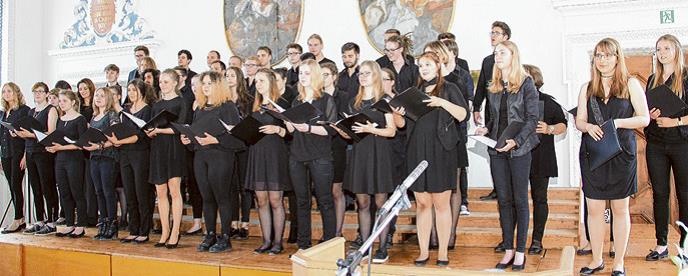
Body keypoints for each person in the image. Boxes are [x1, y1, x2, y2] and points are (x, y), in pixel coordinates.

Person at [575, 38, 649, 276]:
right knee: (594, 209)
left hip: (621, 153)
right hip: (593, 154)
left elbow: (644, 118)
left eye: (607, 55)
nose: (602, 60)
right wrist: (587, 127)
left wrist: (617, 122)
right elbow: (579, 120)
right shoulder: (586, 88)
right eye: (598, 55)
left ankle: (618, 262)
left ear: (617, 57)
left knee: (619, 209)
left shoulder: (631, 84)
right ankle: (596, 260)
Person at [394, 52, 468, 267]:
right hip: (417, 151)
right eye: (420, 65)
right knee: (423, 204)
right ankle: (424, 251)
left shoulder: (449, 88)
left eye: (427, 64)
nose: (423, 68)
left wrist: (441, 102)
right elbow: (401, 126)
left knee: (441, 204)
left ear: (438, 65)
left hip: (442, 151)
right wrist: (398, 113)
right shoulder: (413, 93)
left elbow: (463, 115)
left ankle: (443, 252)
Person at [474, 41, 538, 271]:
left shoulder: (526, 83)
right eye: (495, 52)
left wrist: (517, 141)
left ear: (513, 55)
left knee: (520, 200)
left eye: (502, 52)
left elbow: (532, 119)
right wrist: (486, 129)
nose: (497, 56)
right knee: (504, 201)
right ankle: (508, 249)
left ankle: (520, 251)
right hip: (497, 148)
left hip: (519, 149)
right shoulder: (494, 85)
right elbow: (495, 118)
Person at [334, 60, 396, 263]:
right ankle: (366, 246)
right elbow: (352, 135)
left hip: (379, 152)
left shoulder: (384, 100)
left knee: (381, 202)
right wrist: (342, 130)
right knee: (362, 202)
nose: (362, 76)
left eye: (367, 73)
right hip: (360, 153)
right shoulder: (355, 102)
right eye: (360, 73)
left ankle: (383, 246)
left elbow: (392, 130)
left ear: (376, 75)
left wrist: (371, 130)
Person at [181, 71, 244, 253]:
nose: (205, 86)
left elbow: (239, 140)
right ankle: (210, 234)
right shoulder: (200, 108)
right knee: (207, 198)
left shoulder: (228, 107)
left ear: (218, 85)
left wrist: (216, 140)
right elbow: (197, 134)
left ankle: (225, 237)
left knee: (221, 197)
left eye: (209, 83)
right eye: (204, 83)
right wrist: (189, 140)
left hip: (221, 156)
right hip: (201, 157)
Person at [644, 34, 688, 262]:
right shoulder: (652, 80)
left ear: (677, 51)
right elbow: (642, 113)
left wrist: (676, 121)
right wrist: (650, 115)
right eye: (659, 49)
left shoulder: (687, 77)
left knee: (685, 195)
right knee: (660, 195)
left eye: (667, 48)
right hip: (657, 144)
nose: (662, 53)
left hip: (682, 143)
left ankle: (686, 247)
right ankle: (661, 245)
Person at [286, 59, 338, 250]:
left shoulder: (326, 100)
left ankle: (330, 245)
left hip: (320, 156)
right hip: (297, 155)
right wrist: (285, 120)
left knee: (325, 201)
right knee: (301, 202)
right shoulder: (296, 100)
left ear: (315, 75)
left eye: (307, 73)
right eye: (301, 73)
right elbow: (291, 130)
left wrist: (308, 127)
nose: (303, 77)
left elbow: (330, 130)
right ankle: (303, 245)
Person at [522, 64, 568, 255]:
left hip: (541, 156)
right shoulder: (514, 100)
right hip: (519, 156)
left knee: (540, 199)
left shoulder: (548, 102)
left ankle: (537, 241)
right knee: (517, 200)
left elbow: (563, 125)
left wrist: (549, 128)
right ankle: (513, 241)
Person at [246, 68, 291, 255]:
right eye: (256, 81)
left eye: (262, 81)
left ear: (271, 82)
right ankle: (266, 240)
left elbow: (291, 131)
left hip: (275, 153)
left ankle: (278, 242)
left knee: (275, 199)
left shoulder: (281, 103)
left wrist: (277, 129)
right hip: (257, 152)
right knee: (261, 199)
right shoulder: (254, 104)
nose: (258, 84)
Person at [147, 69, 189, 249]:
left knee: (174, 190)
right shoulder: (156, 105)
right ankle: (164, 231)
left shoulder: (182, 102)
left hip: (174, 148)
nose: (162, 85)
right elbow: (151, 127)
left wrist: (159, 130)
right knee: (161, 192)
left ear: (174, 83)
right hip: (158, 149)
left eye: (165, 82)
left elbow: (181, 127)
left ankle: (175, 231)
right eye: (160, 82)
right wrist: (149, 131)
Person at [109, 79, 154, 244]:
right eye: (129, 90)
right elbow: (124, 131)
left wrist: (122, 141)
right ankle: (133, 229)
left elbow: (140, 135)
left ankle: (144, 230)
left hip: (141, 154)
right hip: (125, 154)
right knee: (129, 192)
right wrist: (116, 139)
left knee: (142, 192)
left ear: (141, 91)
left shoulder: (147, 110)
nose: (132, 93)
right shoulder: (126, 110)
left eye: (134, 90)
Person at [16, 82, 59, 235]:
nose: (37, 94)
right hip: (30, 151)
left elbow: (51, 133)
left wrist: (31, 135)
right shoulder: (31, 111)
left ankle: (52, 222)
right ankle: (39, 220)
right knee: (36, 187)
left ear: (47, 94)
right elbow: (27, 131)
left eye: (40, 91)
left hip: (43, 152)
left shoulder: (51, 109)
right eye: (35, 92)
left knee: (47, 186)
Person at [475, 21, 512, 204]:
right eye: (491, 32)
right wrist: (476, 107)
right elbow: (482, 85)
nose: (493, 36)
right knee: (493, 151)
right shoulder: (488, 61)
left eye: (496, 33)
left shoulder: (513, 58)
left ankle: (508, 188)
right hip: (491, 112)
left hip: (509, 113)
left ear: (506, 37)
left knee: (509, 150)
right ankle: (498, 188)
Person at [46, 90, 89, 238]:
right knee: (64, 193)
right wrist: (52, 147)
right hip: (60, 159)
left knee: (77, 192)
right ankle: (70, 224)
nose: (61, 103)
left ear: (73, 102)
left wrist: (61, 147)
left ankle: (81, 225)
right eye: (60, 101)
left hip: (74, 159)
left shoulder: (80, 119)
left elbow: (81, 144)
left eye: (64, 101)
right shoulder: (60, 119)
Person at [83, 87, 121, 240]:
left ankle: (112, 224)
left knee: (108, 191)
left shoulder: (112, 115)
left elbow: (115, 138)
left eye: (102, 96)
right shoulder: (94, 117)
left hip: (108, 157)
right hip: (94, 157)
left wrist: (99, 145)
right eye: (96, 95)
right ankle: (103, 222)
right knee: (98, 191)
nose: (98, 98)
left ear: (108, 99)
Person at [320, 62, 350, 238]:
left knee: (336, 190)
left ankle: (337, 232)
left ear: (334, 77)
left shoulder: (344, 96)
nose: (323, 78)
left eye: (326, 75)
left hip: (338, 144)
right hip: (320, 146)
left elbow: (347, 120)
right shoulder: (317, 97)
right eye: (320, 75)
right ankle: (328, 231)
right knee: (324, 192)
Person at [225, 66, 254, 239]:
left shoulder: (247, 99)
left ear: (239, 78)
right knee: (231, 186)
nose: (229, 78)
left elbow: (251, 122)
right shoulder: (223, 100)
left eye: (232, 75)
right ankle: (233, 221)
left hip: (244, 145)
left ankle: (245, 222)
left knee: (244, 186)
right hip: (228, 146)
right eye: (226, 75)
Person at [0, 82, 30, 234]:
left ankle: (18, 218)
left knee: (16, 184)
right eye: (4, 91)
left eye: (9, 91)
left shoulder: (24, 111)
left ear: (16, 92)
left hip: (19, 153)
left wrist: (25, 156)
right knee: (12, 186)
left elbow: (29, 136)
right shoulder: (2, 113)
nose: (6, 94)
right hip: (5, 154)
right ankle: (20, 218)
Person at [77, 78, 98, 227]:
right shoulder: (78, 108)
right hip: (79, 149)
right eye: (80, 89)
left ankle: (92, 216)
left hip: (92, 148)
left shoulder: (95, 107)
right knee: (82, 185)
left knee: (91, 186)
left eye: (85, 88)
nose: (83, 91)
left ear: (91, 88)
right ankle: (83, 215)